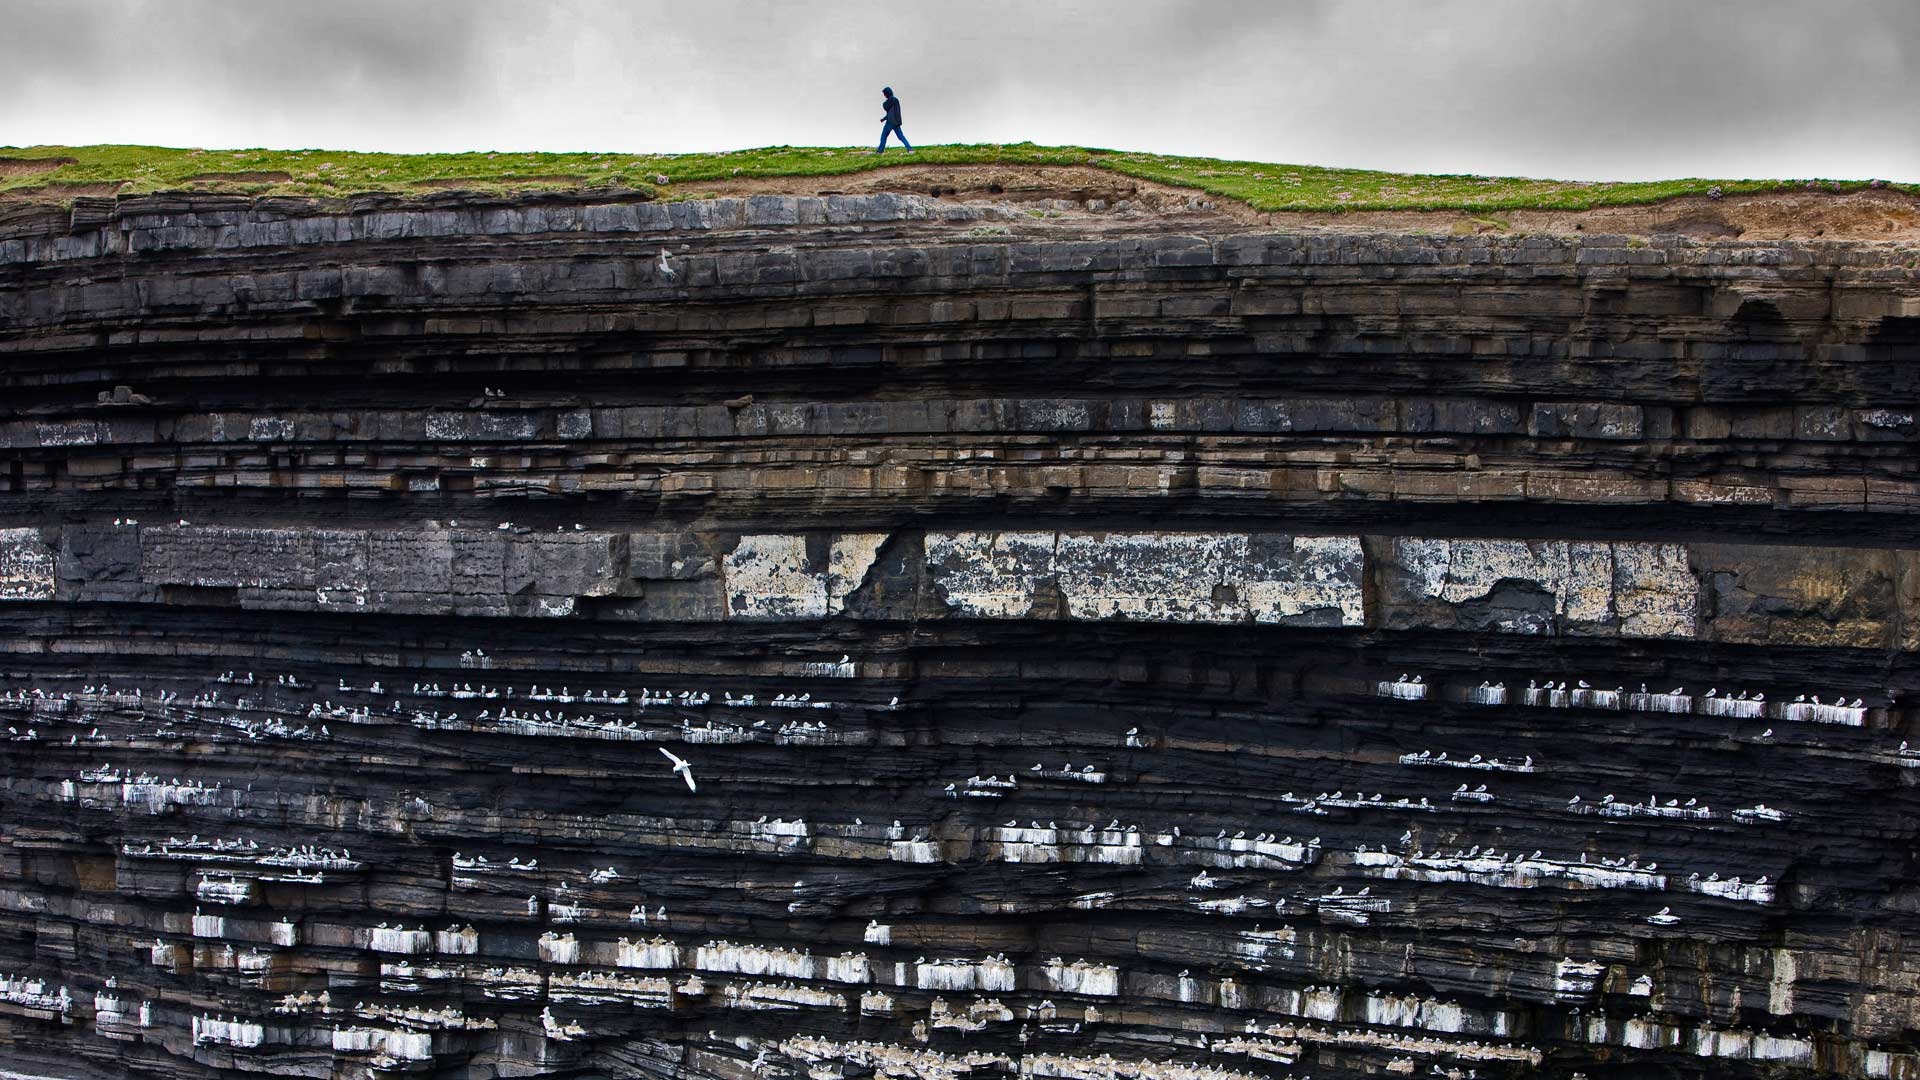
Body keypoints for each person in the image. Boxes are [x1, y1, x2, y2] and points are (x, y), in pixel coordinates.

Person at [876, 87, 912, 154]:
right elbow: (893, 113)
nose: (884, 95)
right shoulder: (896, 100)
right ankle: (910, 149)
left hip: (890, 122)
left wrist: (884, 118)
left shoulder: (888, 102)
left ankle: (880, 151)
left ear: (887, 93)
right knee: (901, 137)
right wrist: (884, 119)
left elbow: (887, 109)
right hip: (896, 122)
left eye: (884, 93)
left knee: (883, 137)